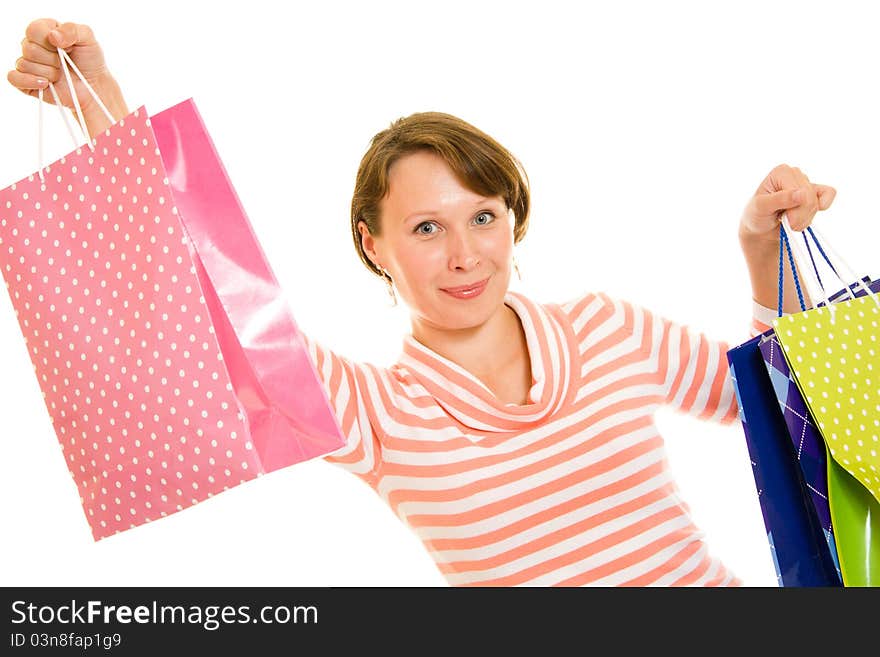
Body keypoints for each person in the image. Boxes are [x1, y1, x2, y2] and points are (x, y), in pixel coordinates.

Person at [7, 18, 836, 586]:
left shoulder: (604, 327)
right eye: (427, 227)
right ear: (375, 245)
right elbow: (216, 303)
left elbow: (771, 400)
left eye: (483, 215)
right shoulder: (375, 413)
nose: (467, 252)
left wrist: (759, 246)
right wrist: (100, 110)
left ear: (513, 216)